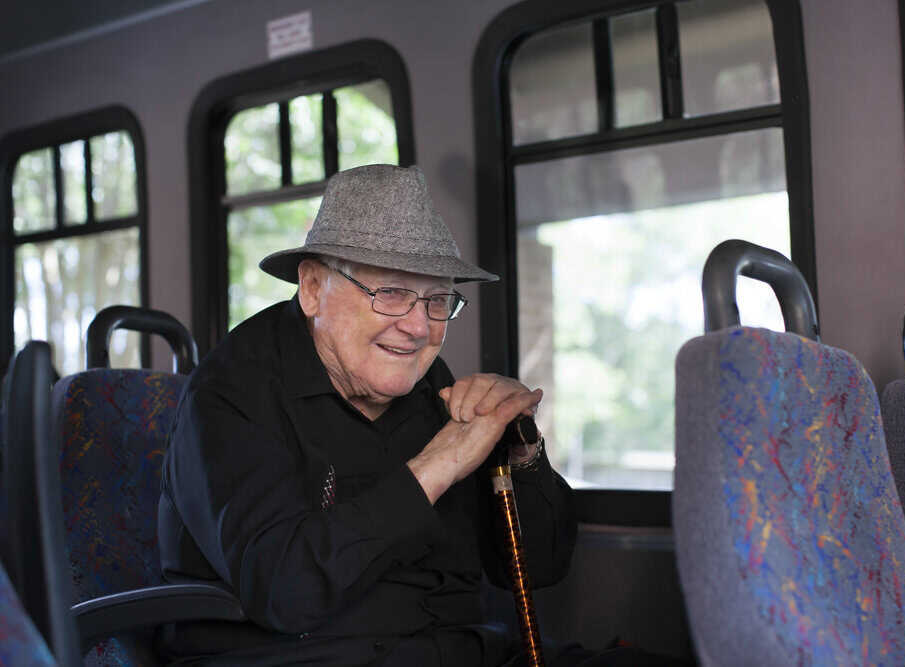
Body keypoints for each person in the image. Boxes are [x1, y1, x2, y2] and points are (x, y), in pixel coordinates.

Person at [158, 164, 667, 666]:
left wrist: (521, 451)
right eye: (392, 293)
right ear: (312, 288)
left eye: (437, 299)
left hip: (462, 649)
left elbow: (538, 568)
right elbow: (285, 592)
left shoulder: (430, 386)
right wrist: (437, 465)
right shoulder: (231, 393)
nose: (419, 327)